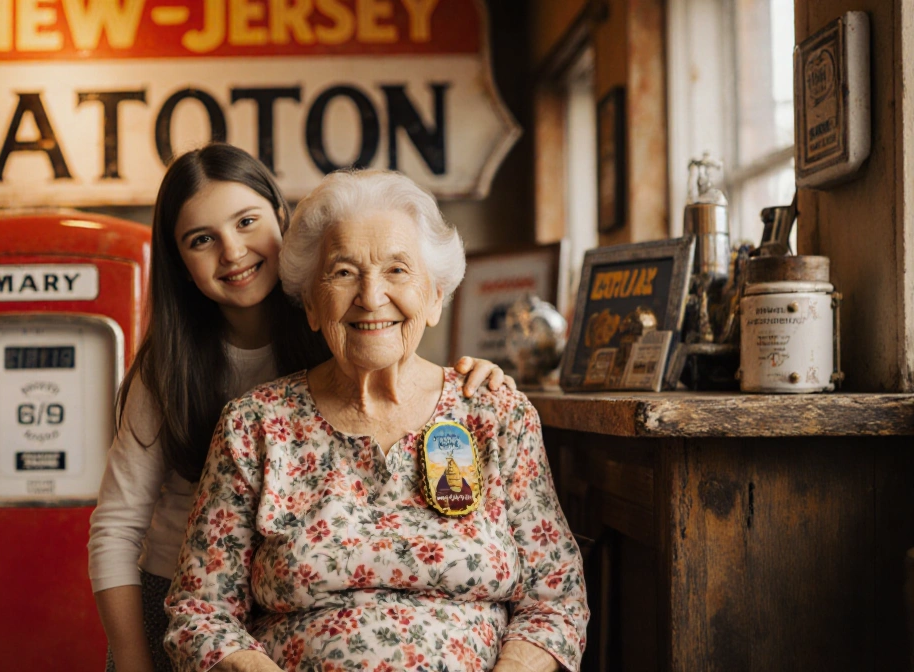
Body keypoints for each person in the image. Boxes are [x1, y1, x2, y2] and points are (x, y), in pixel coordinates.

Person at [87, 145, 515, 672]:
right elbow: (117, 526)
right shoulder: (168, 373)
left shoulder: (342, 326)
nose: (232, 251)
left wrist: (474, 376)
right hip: (179, 589)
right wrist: (132, 658)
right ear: (179, 262)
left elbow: (401, 368)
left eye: (247, 222)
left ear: (281, 220)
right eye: (202, 240)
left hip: (280, 596)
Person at [164, 169, 588, 672]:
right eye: (342, 272)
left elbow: (556, 601)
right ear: (312, 306)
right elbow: (199, 612)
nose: (370, 296)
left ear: (434, 298)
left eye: (397, 271)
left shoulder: (495, 414)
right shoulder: (254, 426)